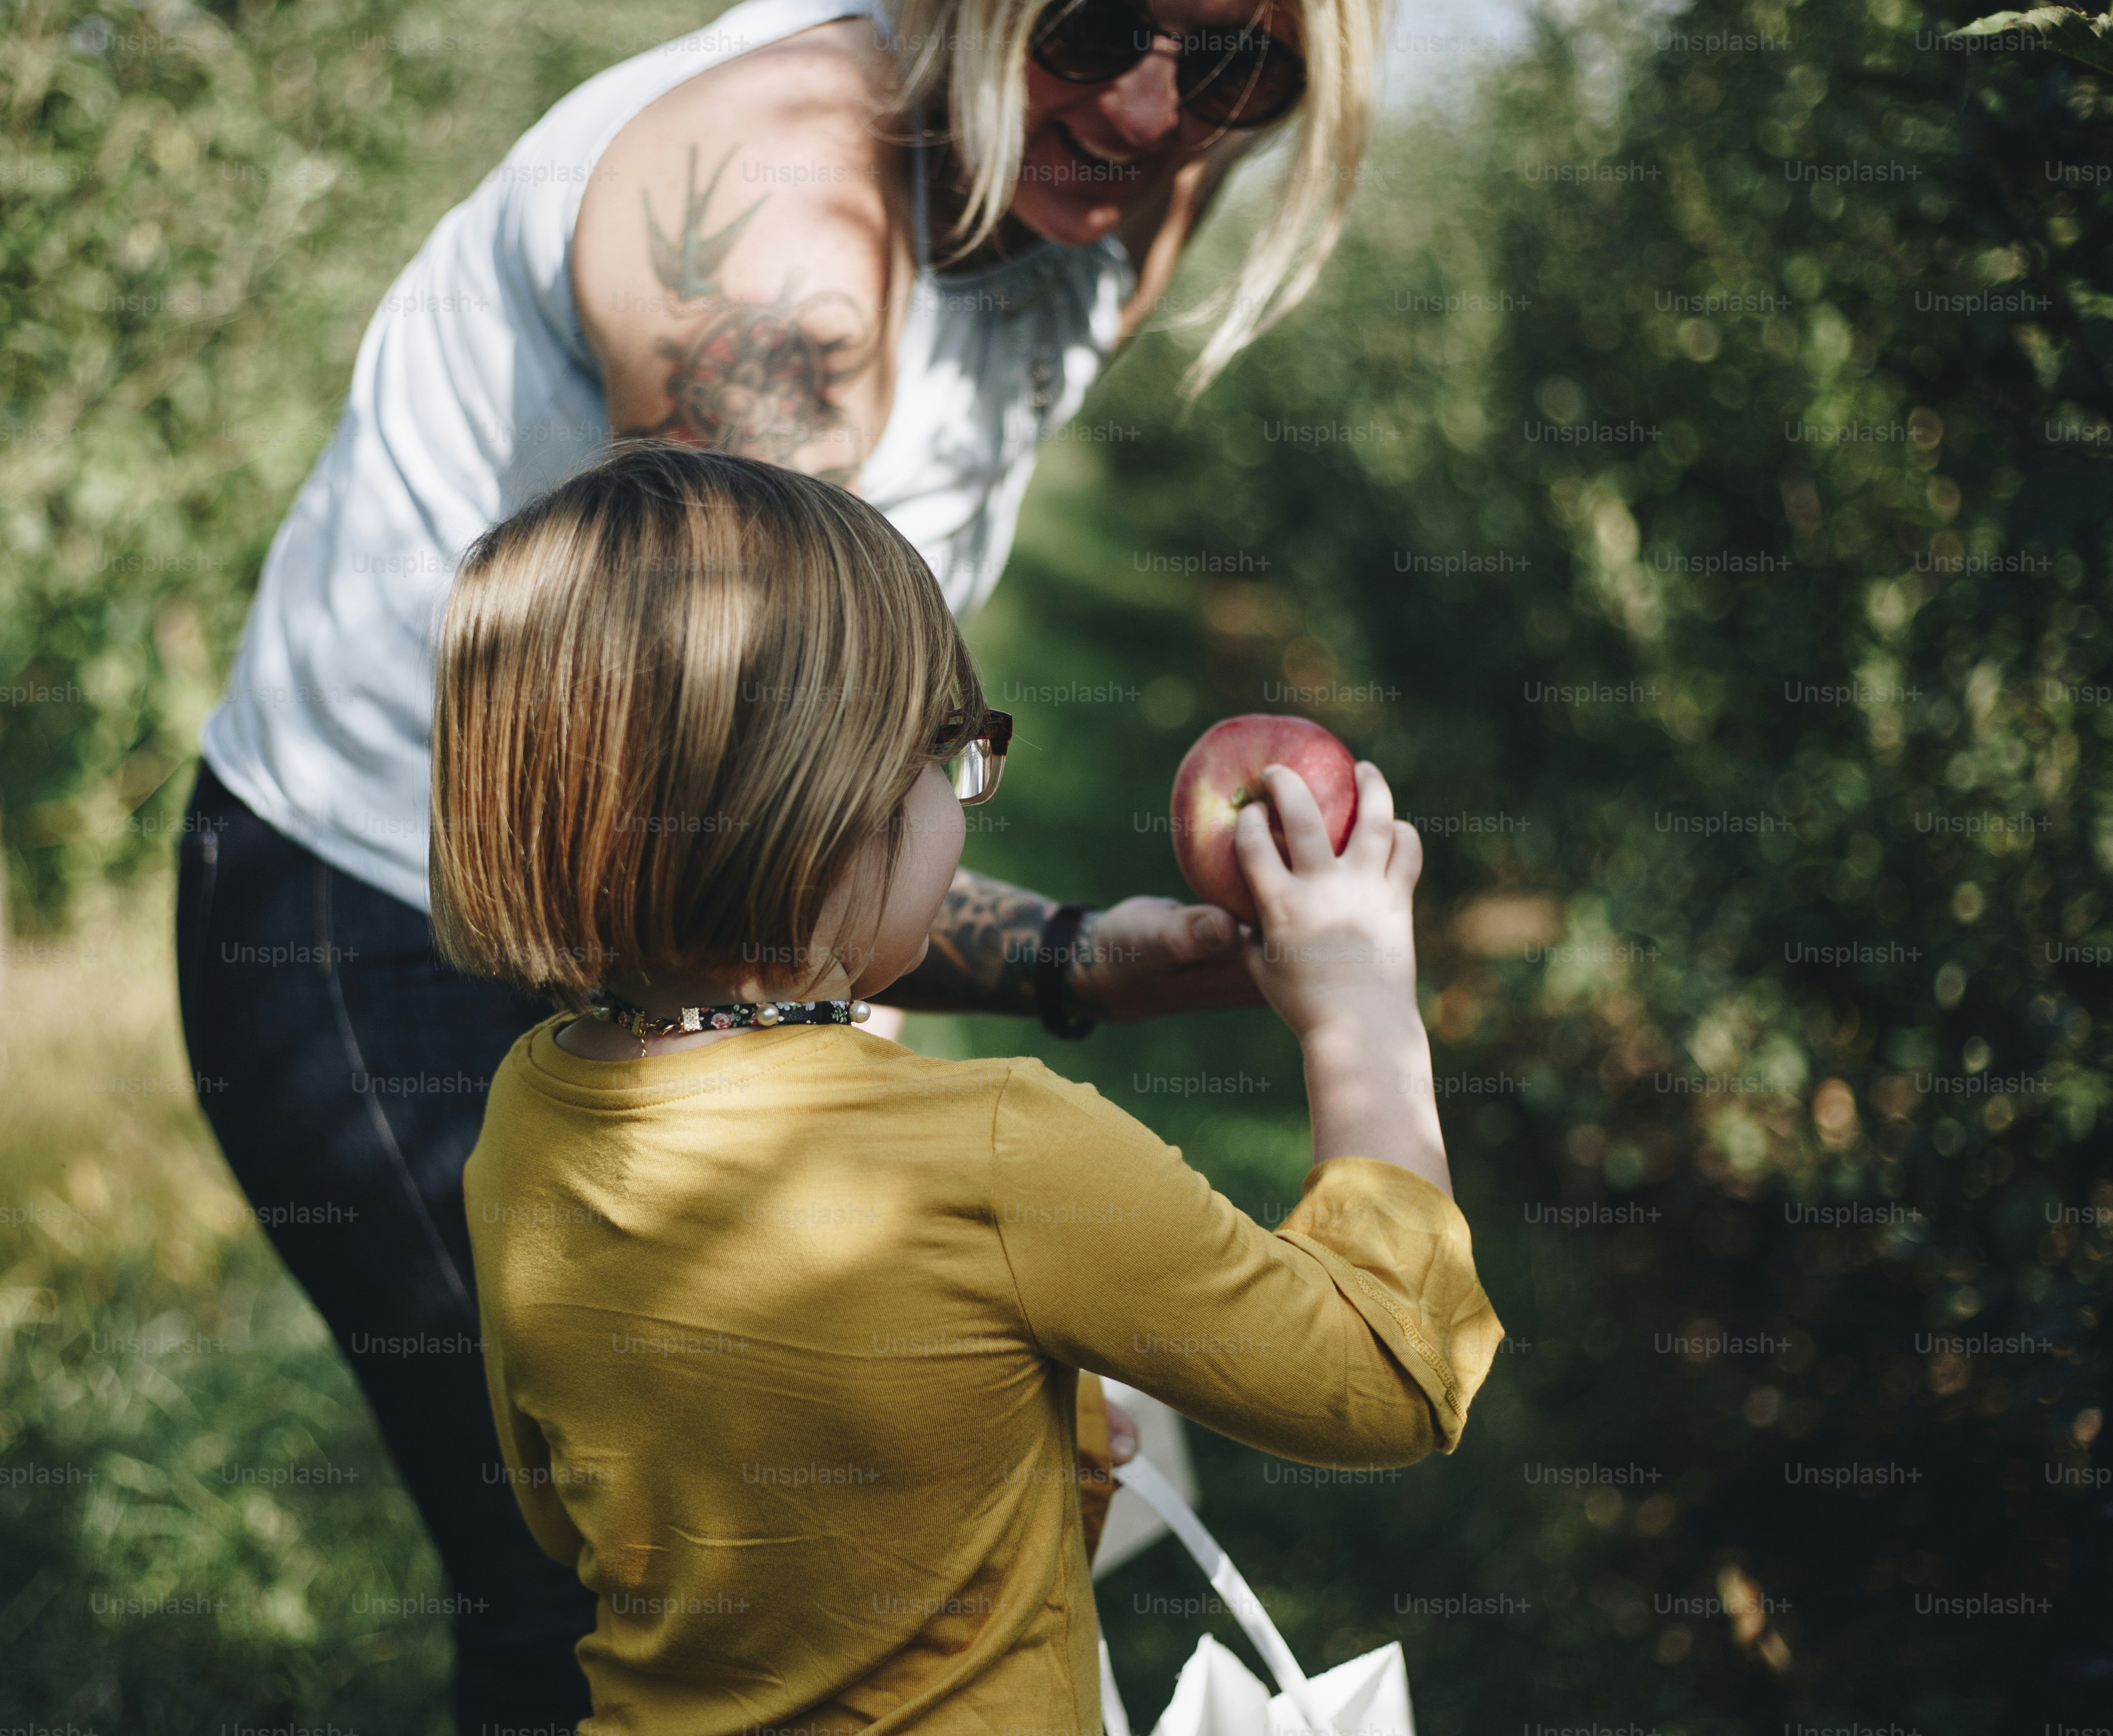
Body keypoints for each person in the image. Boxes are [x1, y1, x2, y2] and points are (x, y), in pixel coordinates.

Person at [173, 0, 1386, 1727]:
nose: (1142, 107)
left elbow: (796, 866)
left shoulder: (1117, 169)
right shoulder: (771, 211)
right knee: (603, 1570)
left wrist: (1068, 961)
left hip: (710, 922)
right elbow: (750, 824)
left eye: (1237, 64)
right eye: (1100, 23)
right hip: (386, 906)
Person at [435, 442, 1499, 1734]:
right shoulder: (1004, 1151)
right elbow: (1388, 1375)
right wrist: (1360, 1011)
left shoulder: (527, 1115)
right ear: (825, 816)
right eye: (947, 759)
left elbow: (567, 1513)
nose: (966, 800)